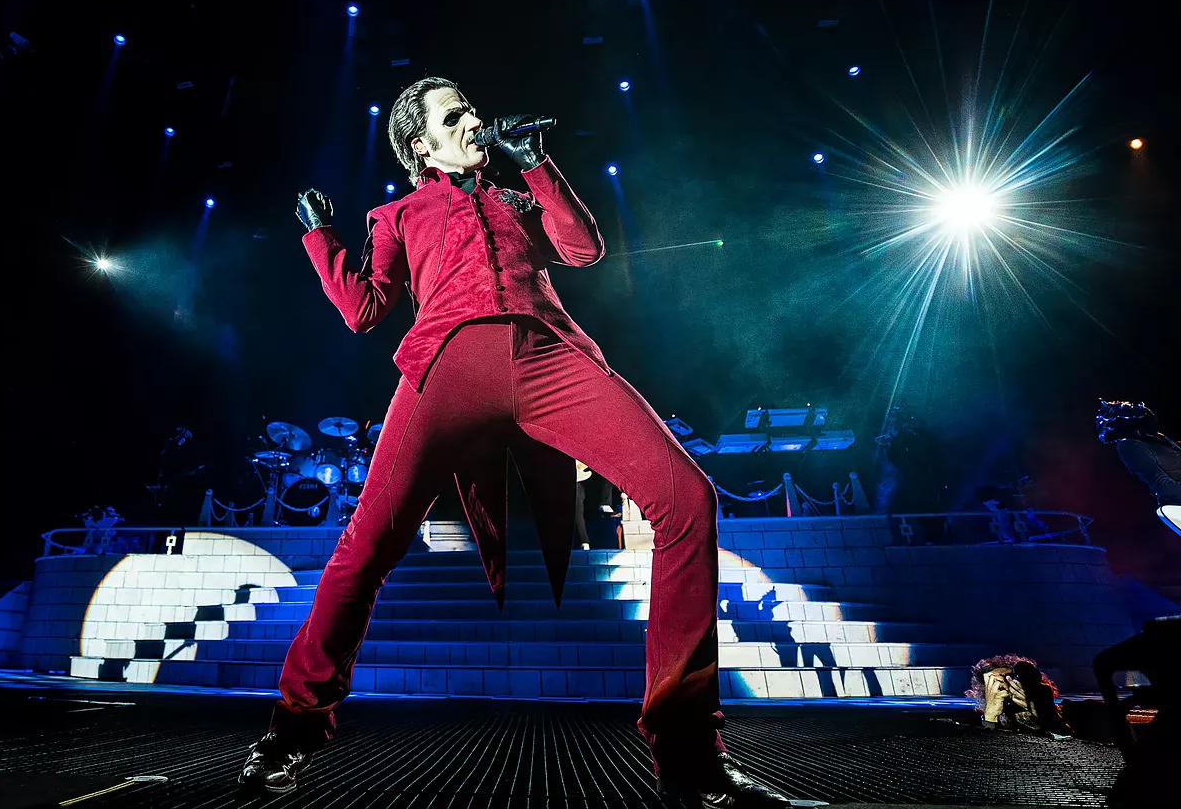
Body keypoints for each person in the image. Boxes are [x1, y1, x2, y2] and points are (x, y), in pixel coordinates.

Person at [237, 78, 789, 807]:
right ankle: (291, 732)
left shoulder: (517, 198)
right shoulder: (397, 215)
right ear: (421, 146)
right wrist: (321, 238)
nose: (473, 121)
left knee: (688, 498)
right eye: (454, 116)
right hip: (447, 367)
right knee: (366, 546)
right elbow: (364, 308)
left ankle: (688, 754)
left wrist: (536, 164)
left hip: (549, 356)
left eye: (470, 108)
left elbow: (583, 249)